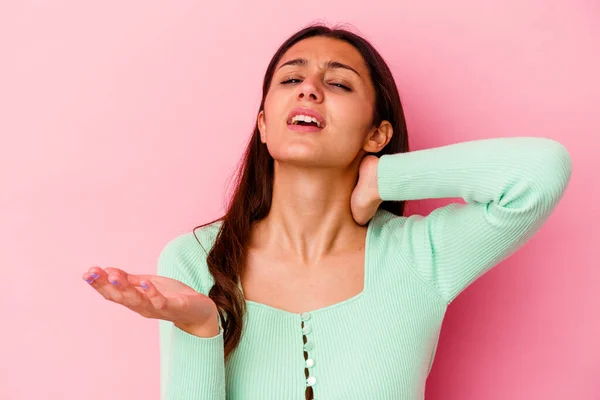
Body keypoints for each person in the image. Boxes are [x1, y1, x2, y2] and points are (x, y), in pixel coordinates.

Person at [81, 24, 572, 400]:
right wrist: (200, 329)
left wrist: (384, 178)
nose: (309, 88)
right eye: (291, 78)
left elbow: (540, 172)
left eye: (338, 84)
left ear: (376, 134)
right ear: (265, 126)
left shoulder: (422, 254)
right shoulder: (195, 260)